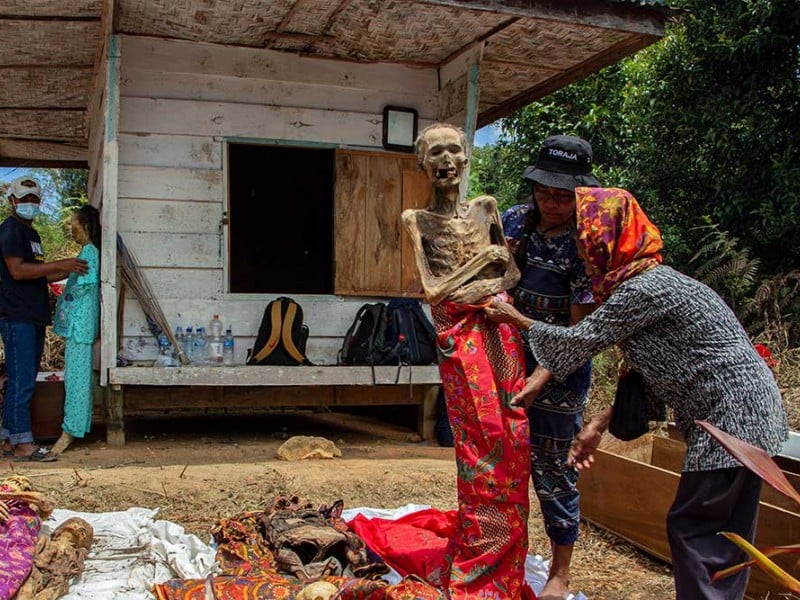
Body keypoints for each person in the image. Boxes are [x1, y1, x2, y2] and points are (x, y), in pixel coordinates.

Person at [485, 186, 788, 599]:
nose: (579, 247)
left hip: (729, 417)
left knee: (696, 527)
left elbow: (577, 341)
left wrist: (514, 317)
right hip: (750, 412)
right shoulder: (652, 283)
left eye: (584, 239)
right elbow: (653, 373)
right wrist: (596, 425)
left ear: (606, 240)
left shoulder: (641, 289)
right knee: (726, 532)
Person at [401, 123, 535, 599]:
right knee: (479, 439)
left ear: (465, 158)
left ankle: (507, 552)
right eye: (434, 153)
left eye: (453, 150)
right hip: (461, 341)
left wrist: (486, 282)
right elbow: (434, 292)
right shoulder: (415, 219)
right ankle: (482, 544)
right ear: (422, 164)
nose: (446, 160)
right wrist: (484, 268)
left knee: (514, 431)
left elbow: (511, 275)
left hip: (501, 336)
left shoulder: (486, 209)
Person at [501, 135, 598, 599]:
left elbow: (579, 335)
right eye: (545, 192)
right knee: (503, 463)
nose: (553, 202)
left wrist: (542, 378)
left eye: (563, 195)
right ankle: (504, 551)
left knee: (554, 470)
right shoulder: (516, 221)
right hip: (507, 357)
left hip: (562, 371)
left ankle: (559, 573)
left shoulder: (587, 242)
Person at [0, 177, 88, 461]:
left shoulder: (32, 234)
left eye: (34, 200)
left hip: (32, 315)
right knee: (21, 380)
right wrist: (62, 263)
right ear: (12, 201)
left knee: (22, 377)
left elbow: (40, 274)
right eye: (24, 199)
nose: (29, 205)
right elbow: (17, 271)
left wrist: (71, 269)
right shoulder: (11, 231)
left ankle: (7, 438)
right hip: (17, 315)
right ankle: (24, 443)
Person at [50, 205, 101, 456]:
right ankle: (75, 426)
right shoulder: (85, 252)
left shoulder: (90, 253)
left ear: (86, 226)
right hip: (77, 327)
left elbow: (83, 287)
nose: (71, 228)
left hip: (80, 327)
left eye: (74, 223)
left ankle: (70, 431)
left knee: (77, 381)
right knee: (76, 379)